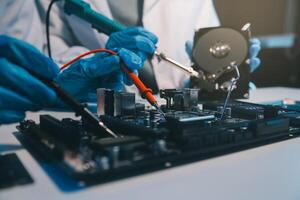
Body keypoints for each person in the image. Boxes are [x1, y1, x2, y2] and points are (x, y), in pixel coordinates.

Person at [0, 0, 261, 90]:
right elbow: (43, 50)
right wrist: (99, 63)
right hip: (100, 107)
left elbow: (204, 45)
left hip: (177, 108)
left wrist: (212, 80)